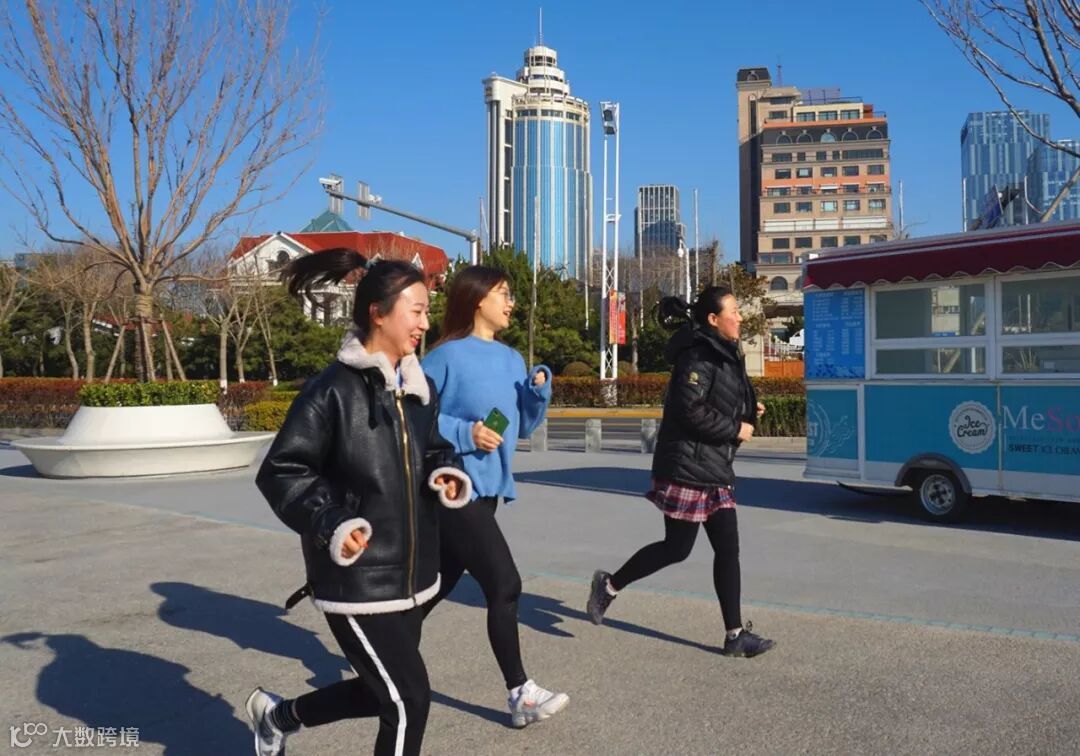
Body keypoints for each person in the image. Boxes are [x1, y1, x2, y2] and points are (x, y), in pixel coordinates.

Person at [246, 251, 472, 756]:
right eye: (416, 311)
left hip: (411, 577)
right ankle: (276, 719)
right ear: (378, 313)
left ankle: (276, 717)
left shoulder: (419, 389)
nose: (425, 323)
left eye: (427, 311)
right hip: (356, 579)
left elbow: (432, 448)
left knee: (382, 690)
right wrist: (332, 521)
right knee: (409, 700)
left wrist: (445, 472)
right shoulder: (331, 391)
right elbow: (282, 469)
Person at [586, 287, 775, 658]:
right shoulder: (698, 356)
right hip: (687, 466)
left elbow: (718, 399)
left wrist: (748, 410)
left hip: (714, 465)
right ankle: (608, 586)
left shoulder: (724, 352)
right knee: (677, 548)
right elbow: (689, 411)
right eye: (734, 311)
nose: (740, 317)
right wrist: (735, 428)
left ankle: (735, 635)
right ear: (713, 319)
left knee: (728, 549)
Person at [420, 265, 569, 728]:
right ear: (477, 298)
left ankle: (381, 644)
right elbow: (410, 418)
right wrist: (466, 432)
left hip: (488, 490)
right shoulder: (444, 357)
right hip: (453, 485)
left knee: (438, 583)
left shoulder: (510, 359)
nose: (511, 303)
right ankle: (520, 692)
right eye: (503, 294)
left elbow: (521, 426)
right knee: (504, 584)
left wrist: (538, 392)